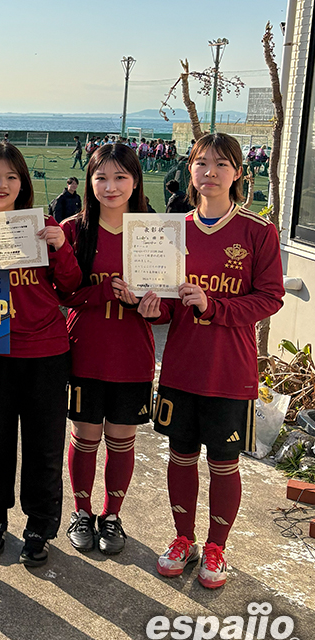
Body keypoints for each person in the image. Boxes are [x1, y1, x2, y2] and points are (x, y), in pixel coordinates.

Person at [133, 133, 284, 589]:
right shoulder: (171, 231)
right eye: (202, 163)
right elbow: (167, 304)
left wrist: (214, 305)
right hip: (180, 369)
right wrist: (150, 307)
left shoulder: (259, 232)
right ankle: (184, 539)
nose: (211, 172)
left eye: (222, 164)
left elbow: (270, 298)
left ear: (238, 173)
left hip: (230, 373)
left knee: (223, 462)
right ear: (190, 171)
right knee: (180, 457)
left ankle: (217, 546)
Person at [0, 143, 82, 566]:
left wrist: (61, 246)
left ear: (22, 183)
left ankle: (40, 527)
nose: (2, 184)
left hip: (45, 351)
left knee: (44, 446)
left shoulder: (43, 227)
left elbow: (71, 287)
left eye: (10, 176)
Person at [59, 144, 152, 556]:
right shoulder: (72, 230)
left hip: (132, 355)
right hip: (85, 350)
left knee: (122, 438)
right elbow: (62, 291)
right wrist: (99, 292)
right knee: (85, 435)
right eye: (101, 177)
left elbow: (168, 302)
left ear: (135, 181)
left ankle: (112, 515)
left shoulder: (156, 229)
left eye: (120, 177)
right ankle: (81, 512)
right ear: (89, 182)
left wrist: (149, 305)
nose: (110, 187)